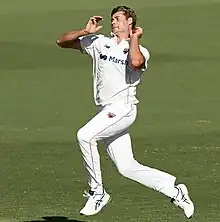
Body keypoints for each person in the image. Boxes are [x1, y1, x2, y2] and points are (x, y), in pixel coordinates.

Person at [56, 5, 194, 219]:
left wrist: (135, 38)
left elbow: (136, 62)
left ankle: (97, 192)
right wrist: (85, 32)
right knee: (127, 167)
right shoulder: (99, 43)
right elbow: (62, 42)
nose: (113, 22)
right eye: (112, 18)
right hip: (107, 110)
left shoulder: (139, 49)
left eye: (118, 18)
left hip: (123, 108)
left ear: (130, 22)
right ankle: (175, 191)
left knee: (85, 136)